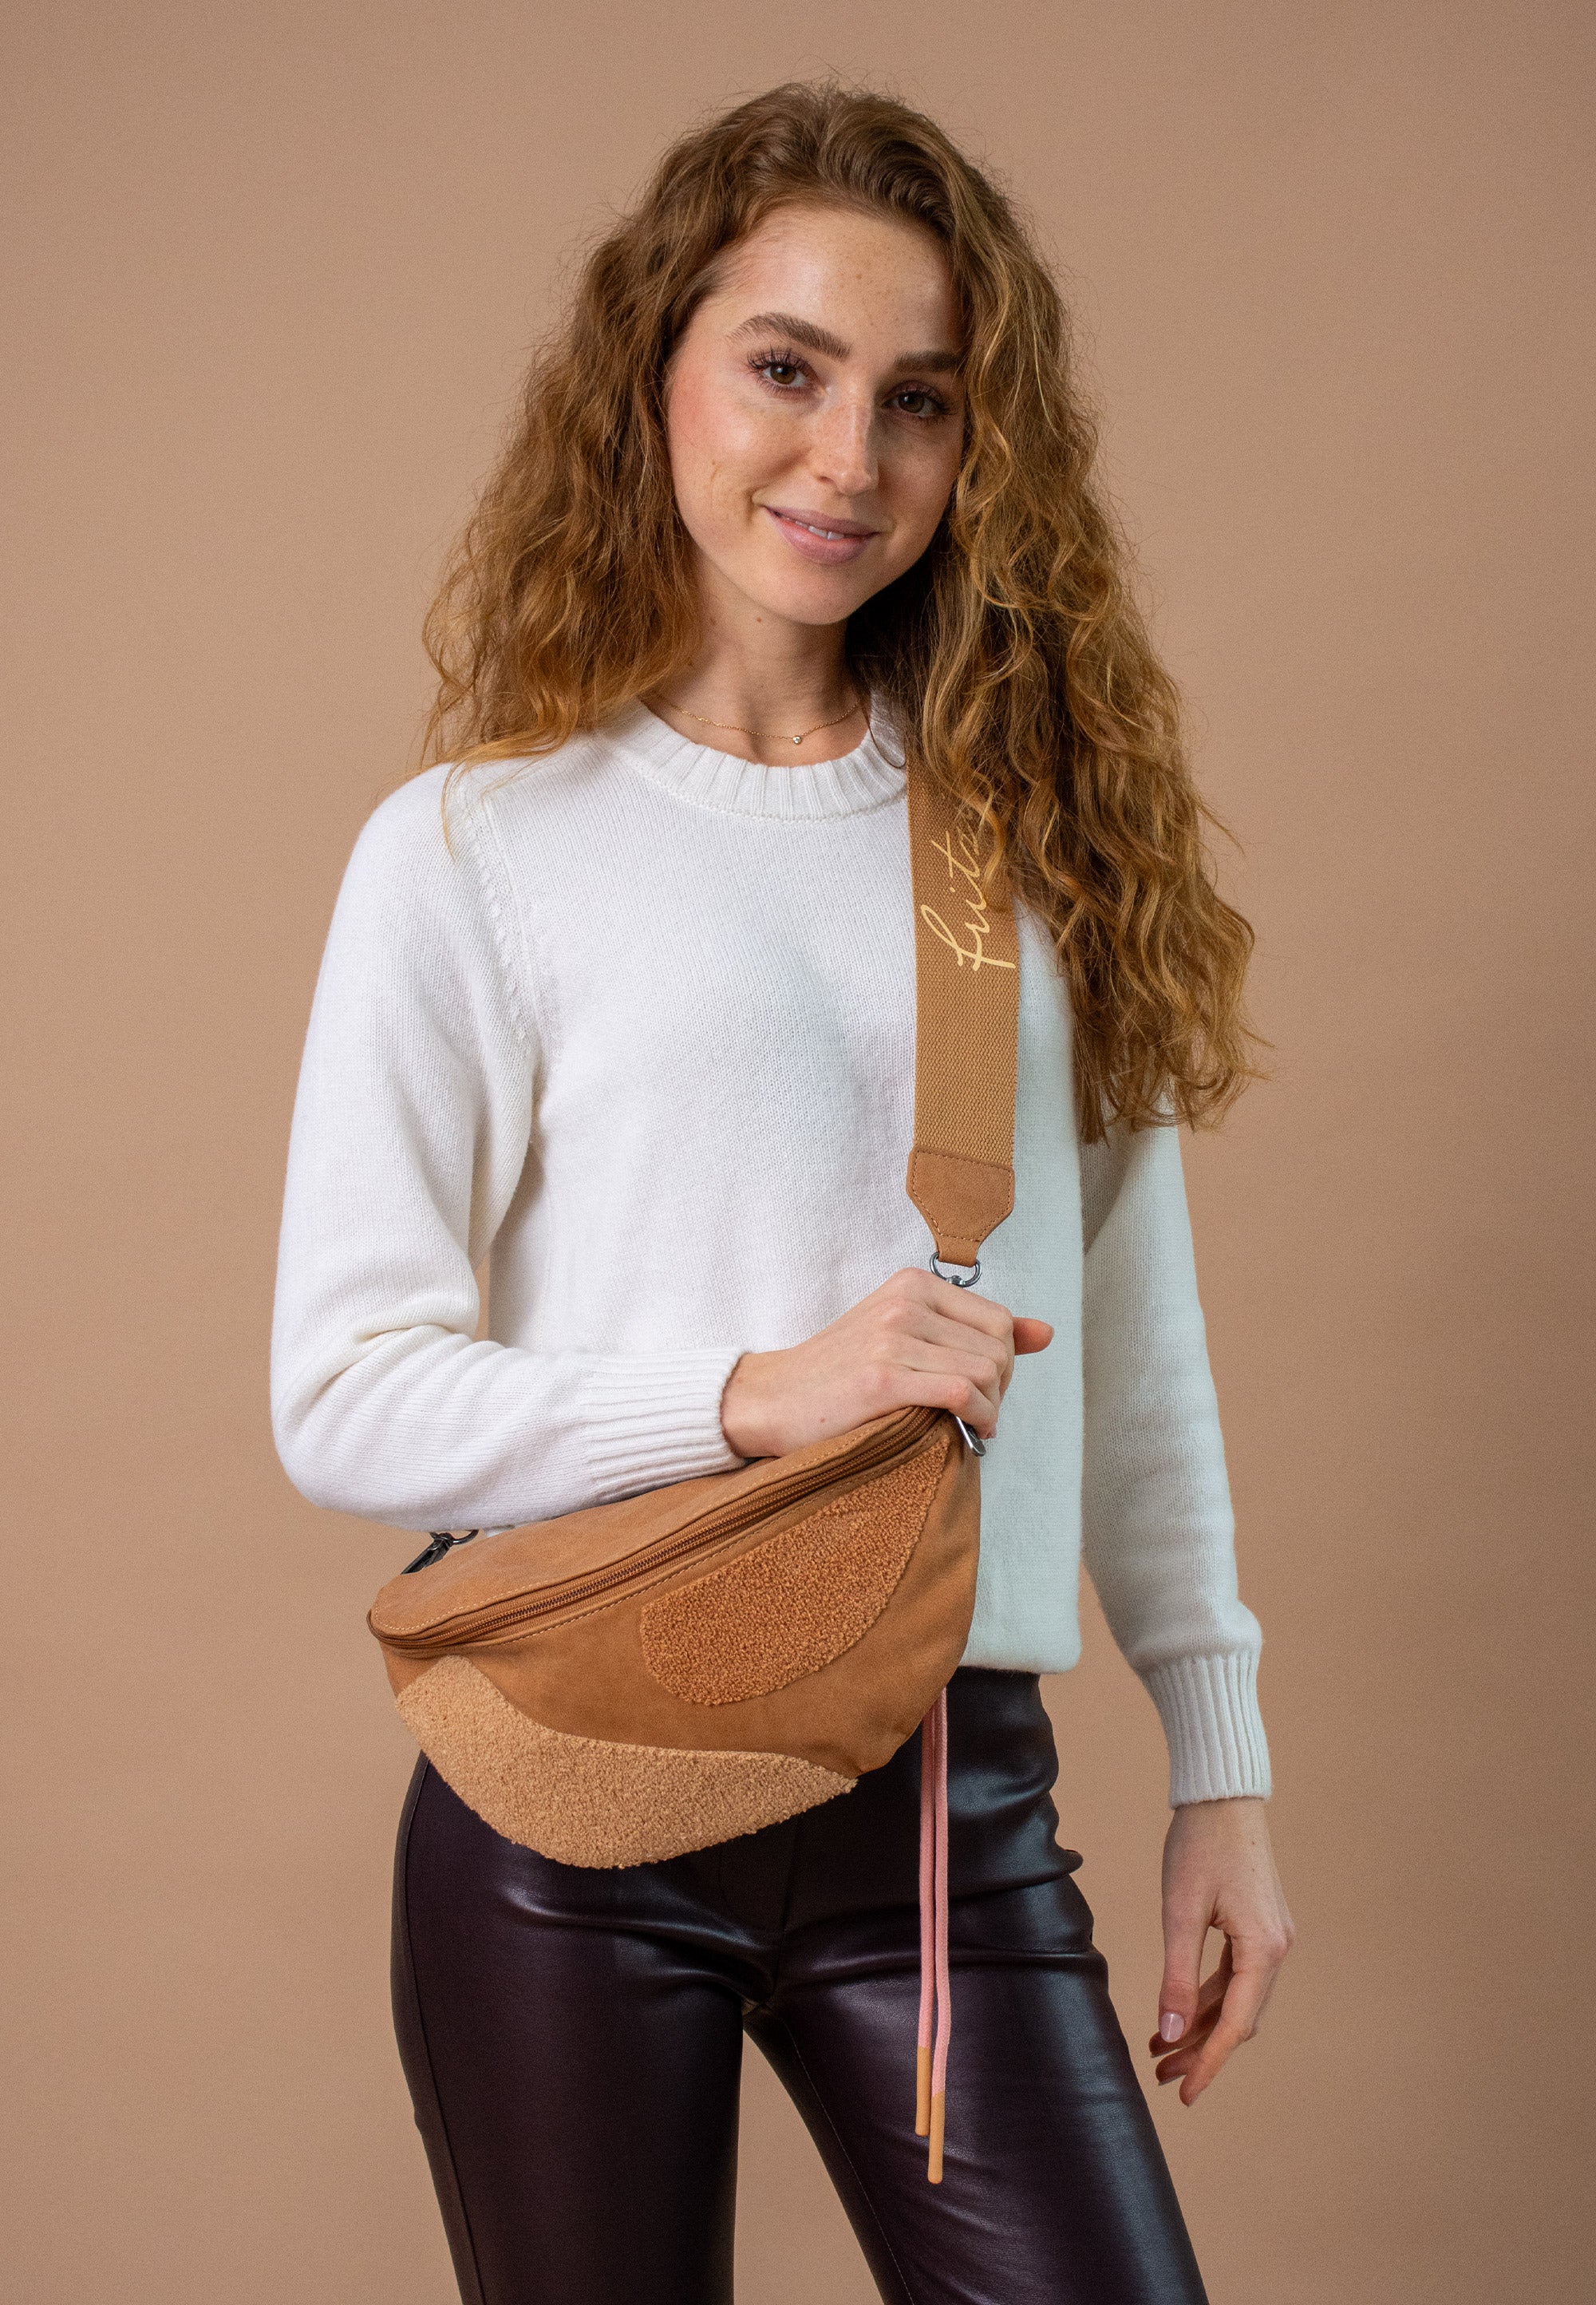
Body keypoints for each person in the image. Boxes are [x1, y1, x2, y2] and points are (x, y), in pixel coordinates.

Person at [271, 80, 1293, 2305]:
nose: (847, 459)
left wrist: (1220, 1770)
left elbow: (1136, 1348)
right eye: (786, 369)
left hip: (947, 1811)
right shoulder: (472, 852)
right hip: (575, 1799)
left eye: (918, 400)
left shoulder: (1030, 855)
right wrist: (754, 1394)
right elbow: (342, 1396)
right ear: (656, 372)